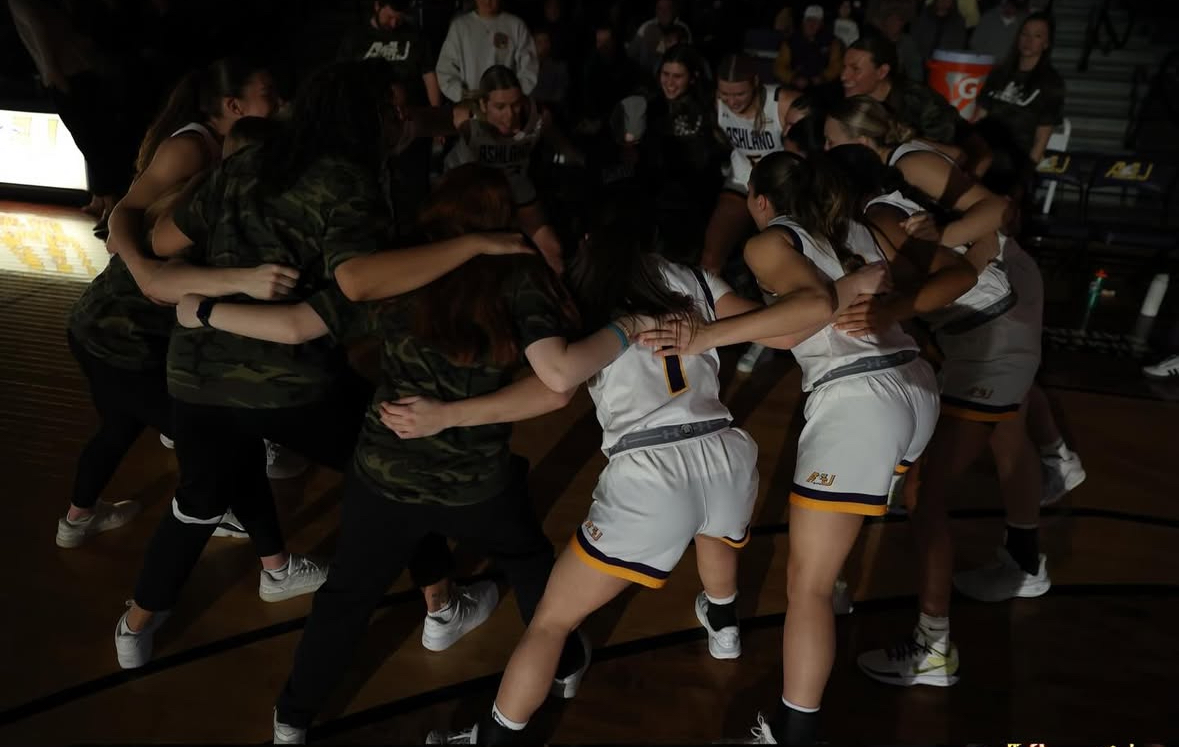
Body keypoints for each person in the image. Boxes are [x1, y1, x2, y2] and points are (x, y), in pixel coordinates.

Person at [110, 61, 517, 671]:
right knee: (393, 468)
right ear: (364, 118)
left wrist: (200, 278)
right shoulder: (349, 181)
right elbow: (357, 278)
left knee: (196, 500)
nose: (401, 119)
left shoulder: (247, 164)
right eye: (392, 108)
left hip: (196, 366)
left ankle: (135, 627)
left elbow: (164, 240)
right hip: (287, 375)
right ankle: (441, 603)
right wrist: (471, 245)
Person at [169, 164, 594, 743]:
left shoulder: (401, 272)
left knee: (346, 597)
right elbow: (557, 384)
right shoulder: (520, 280)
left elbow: (296, 325)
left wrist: (206, 310)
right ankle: (564, 665)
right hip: (476, 483)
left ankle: (293, 719)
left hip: (384, 478)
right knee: (528, 562)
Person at [423, 181, 804, 745]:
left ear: (585, 239)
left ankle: (494, 739)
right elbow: (785, 329)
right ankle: (724, 629)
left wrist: (450, 415)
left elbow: (553, 392)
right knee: (715, 532)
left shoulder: (576, 298)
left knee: (553, 620)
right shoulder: (696, 279)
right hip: (725, 450)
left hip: (652, 471)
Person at [642, 151, 940, 745]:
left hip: (860, 401)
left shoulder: (767, 242)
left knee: (806, 584)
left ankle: (793, 733)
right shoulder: (853, 224)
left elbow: (808, 308)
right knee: (832, 557)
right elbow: (810, 317)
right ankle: (853, 607)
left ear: (758, 198)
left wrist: (705, 336)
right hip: (916, 384)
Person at [824, 97, 1052, 692]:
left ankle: (933, 648)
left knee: (925, 496)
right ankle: (1028, 550)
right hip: (990, 331)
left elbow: (964, 263)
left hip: (993, 338)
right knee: (1004, 435)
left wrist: (894, 306)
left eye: (829, 145)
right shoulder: (886, 204)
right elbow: (968, 256)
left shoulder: (883, 206)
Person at [446, 65, 580, 274]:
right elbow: (424, 122)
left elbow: (557, 139)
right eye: (500, 107)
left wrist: (577, 157)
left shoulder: (537, 116)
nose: (510, 115)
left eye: (515, 105)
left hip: (516, 185)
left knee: (552, 250)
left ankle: (555, 300)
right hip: (474, 192)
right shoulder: (467, 118)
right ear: (484, 104)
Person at [639, 44, 730, 264]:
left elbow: (716, 155)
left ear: (692, 77)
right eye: (666, 74)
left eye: (677, 76)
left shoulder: (709, 107)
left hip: (697, 200)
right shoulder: (653, 107)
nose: (669, 82)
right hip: (660, 199)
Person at [974, 12, 1066, 197]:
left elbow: (1042, 137)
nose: (1029, 40)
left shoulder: (1051, 83)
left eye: (1037, 36)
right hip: (985, 147)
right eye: (1025, 34)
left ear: (1046, 44)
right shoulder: (999, 73)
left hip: (1014, 156)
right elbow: (980, 115)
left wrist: (1025, 176)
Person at [435, 0, 538, 103]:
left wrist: (514, 96)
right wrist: (461, 94)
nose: (487, 1)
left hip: (505, 105)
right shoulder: (460, 27)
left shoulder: (516, 26)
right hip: (470, 103)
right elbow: (445, 69)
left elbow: (529, 68)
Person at [774, 5, 843, 91]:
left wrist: (823, 77)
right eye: (809, 20)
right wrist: (793, 78)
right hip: (796, 86)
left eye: (816, 21)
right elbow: (780, 66)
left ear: (821, 24)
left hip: (823, 87)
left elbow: (836, 65)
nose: (811, 24)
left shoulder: (832, 42)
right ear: (803, 22)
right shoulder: (790, 41)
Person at [628, 0, 694, 81]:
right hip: (644, 77)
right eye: (660, 8)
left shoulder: (683, 29)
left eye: (667, 9)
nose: (663, 12)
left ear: (674, 10)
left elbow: (686, 59)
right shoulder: (646, 27)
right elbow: (631, 54)